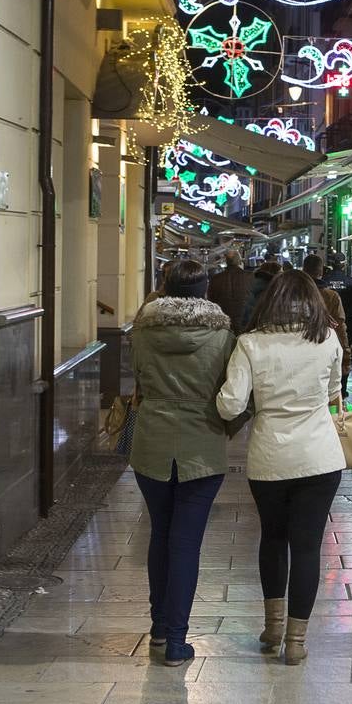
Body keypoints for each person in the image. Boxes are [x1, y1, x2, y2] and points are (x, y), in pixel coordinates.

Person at [216, 271, 345, 666]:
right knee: (307, 547)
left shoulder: (251, 343)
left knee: (273, 538)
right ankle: (296, 642)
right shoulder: (327, 338)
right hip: (320, 458)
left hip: (269, 459)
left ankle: (272, 628)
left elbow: (231, 406)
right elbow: (334, 392)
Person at [128, 260, 234, 666]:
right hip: (202, 444)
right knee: (186, 542)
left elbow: (138, 377)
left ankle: (158, 627)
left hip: (151, 441)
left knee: (160, 534)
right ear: (206, 291)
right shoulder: (222, 335)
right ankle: (176, 640)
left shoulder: (142, 330)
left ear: (166, 288)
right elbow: (232, 388)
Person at [302, 254, 352, 398]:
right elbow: (340, 328)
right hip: (325, 349)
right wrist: (346, 356)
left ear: (304, 270)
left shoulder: (294, 294)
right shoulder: (331, 296)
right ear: (321, 271)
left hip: (300, 352)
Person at [321, 255, 352, 366]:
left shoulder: (325, 281)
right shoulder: (350, 281)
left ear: (332, 264)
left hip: (326, 323)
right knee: (344, 349)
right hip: (345, 321)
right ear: (344, 265)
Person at [206, 249, 253, 333]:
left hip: (224, 324)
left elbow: (211, 302)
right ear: (239, 261)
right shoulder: (250, 277)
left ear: (226, 262)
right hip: (245, 322)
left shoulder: (216, 279)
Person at [241, 260, 281, 331]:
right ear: (274, 273)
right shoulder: (269, 289)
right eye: (280, 273)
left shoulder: (252, 285)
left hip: (250, 328)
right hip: (263, 330)